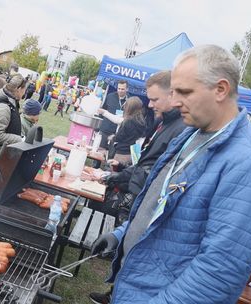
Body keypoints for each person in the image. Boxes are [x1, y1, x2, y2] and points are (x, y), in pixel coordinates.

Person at [90, 45, 251, 303]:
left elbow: (217, 275)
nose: (174, 101)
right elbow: (160, 204)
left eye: (184, 92)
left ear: (221, 89)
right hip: (136, 288)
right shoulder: (192, 134)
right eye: (173, 92)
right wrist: (122, 233)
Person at [88, 71, 186, 304]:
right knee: (127, 243)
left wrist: (121, 177)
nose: (149, 104)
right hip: (138, 191)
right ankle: (114, 294)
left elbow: (157, 173)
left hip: (144, 196)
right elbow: (146, 162)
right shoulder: (165, 123)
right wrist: (115, 177)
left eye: (154, 99)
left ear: (172, 95)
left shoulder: (180, 129)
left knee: (133, 250)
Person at [99, 97, 147, 164]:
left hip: (122, 153)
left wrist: (112, 138)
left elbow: (119, 137)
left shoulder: (127, 122)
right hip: (134, 153)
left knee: (115, 172)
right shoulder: (142, 122)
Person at [0, 74, 27, 153]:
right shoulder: (3, 107)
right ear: (18, 89)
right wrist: (20, 139)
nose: (24, 93)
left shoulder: (11, 103)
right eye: (24, 89)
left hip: (4, 153)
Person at [99, 80, 128, 150]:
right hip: (105, 130)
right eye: (119, 88)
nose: (120, 91)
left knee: (111, 156)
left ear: (127, 89)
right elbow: (103, 110)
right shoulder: (110, 96)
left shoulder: (129, 101)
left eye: (122, 89)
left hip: (117, 134)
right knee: (99, 151)